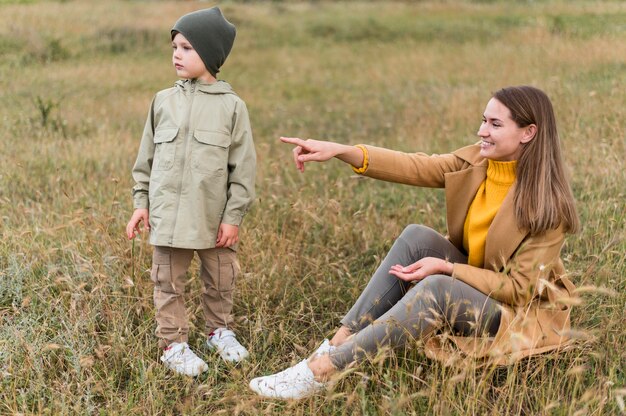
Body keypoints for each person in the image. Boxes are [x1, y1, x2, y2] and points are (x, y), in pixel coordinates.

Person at [249, 86, 579, 399]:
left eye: (495, 124)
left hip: (511, 311)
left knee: (436, 287)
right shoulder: (479, 162)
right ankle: (337, 344)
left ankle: (325, 369)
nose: (482, 131)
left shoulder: (548, 206)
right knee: (417, 237)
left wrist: (448, 268)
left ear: (528, 132)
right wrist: (342, 151)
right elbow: (416, 165)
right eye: (483, 120)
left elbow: (518, 290)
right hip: (477, 279)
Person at [126, 7, 256, 376]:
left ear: (211, 54)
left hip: (213, 219)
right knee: (167, 282)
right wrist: (141, 204)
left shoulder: (233, 108)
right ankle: (174, 344)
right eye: (174, 47)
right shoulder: (162, 101)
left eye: (186, 47)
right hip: (168, 218)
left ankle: (219, 331)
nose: (176, 55)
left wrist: (233, 218)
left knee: (220, 280)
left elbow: (243, 169)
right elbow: (145, 161)